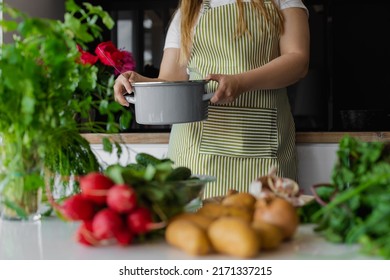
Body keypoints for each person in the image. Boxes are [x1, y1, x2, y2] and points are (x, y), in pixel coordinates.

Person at [114, 0, 310, 198]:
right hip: (196, 153)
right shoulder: (189, 11)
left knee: (265, 223)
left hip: (263, 150)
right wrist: (138, 82)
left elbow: (298, 60)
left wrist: (241, 82)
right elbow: (171, 80)